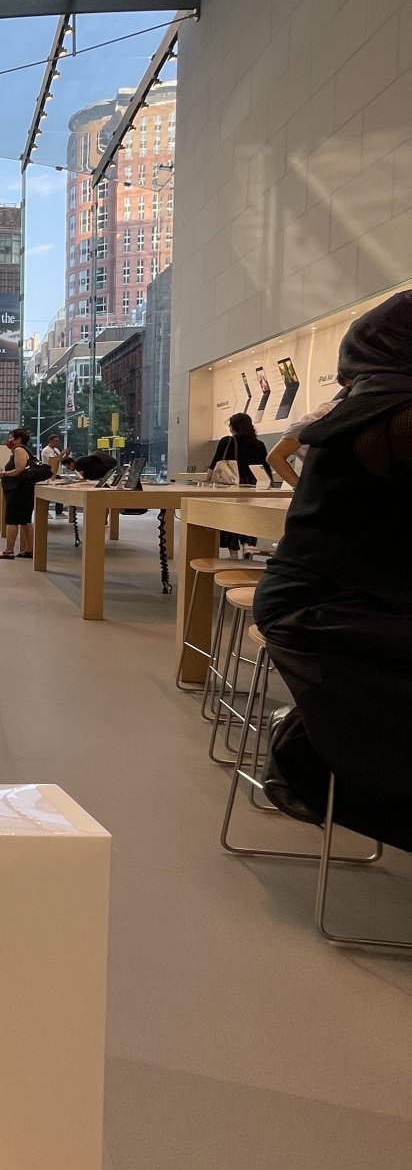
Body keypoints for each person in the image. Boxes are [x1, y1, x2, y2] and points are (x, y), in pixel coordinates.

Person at [252, 291, 412, 846]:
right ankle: (312, 738)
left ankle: (314, 734)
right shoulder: (393, 420)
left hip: (315, 601)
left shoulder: (359, 412)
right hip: (324, 613)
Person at [210, 410, 270, 551]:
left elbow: (215, 464)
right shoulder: (259, 444)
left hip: (232, 486)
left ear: (233, 427)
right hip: (252, 487)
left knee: (231, 519)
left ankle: (233, 554)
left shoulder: (227, 441)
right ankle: (248, 548)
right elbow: (265, 468)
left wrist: (207, 481)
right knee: (249, 519)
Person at [0, 428, 36, 559]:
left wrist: (4, 474)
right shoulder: (23, 450)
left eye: (11, 437)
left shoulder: (19, 450)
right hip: (24, 489)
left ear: (18, 439)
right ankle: (30, 549)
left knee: (12, 520)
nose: (9, 440)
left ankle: (8, 550)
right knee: (25, 521)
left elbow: (19, 469)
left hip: (18, 490)